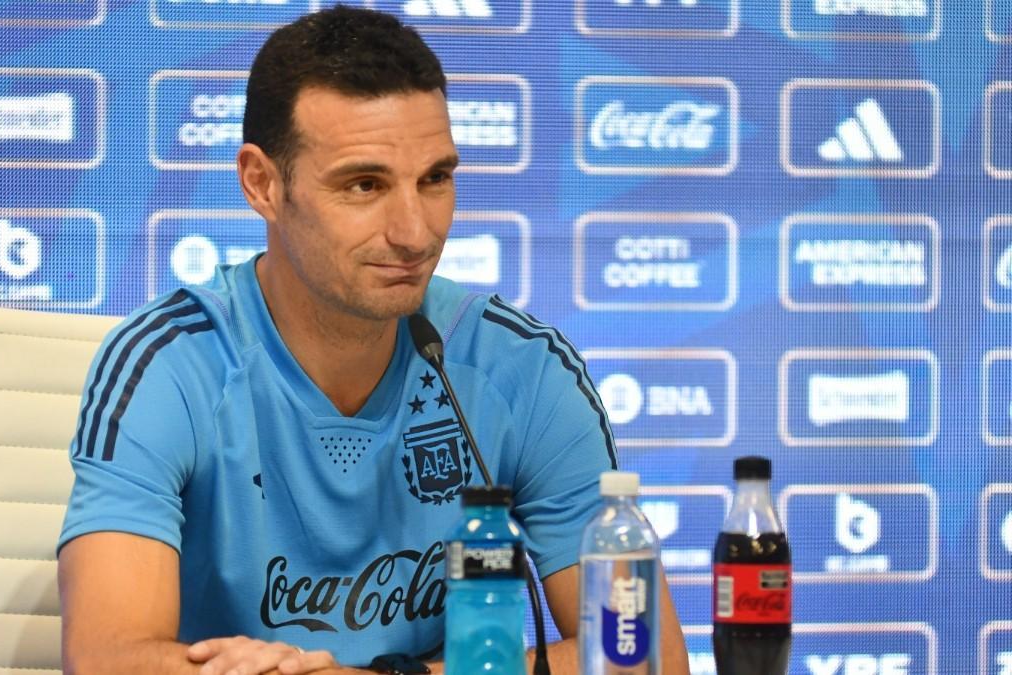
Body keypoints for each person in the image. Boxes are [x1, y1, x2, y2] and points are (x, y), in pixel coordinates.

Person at [57, 6, 689, 674]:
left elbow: (645, 656)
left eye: (435, 179)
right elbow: (105, 657)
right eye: (365, 184)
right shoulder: (167, 364)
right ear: (262, 184)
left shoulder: (523, 368)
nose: (415, 232)